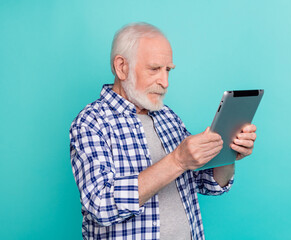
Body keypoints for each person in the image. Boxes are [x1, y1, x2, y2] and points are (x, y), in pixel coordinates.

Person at [69, 22, 257, 240]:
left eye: (168, 70)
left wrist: (228, 153)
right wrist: (177, 161)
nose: (165, 82)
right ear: (122, 67)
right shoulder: (91, 122)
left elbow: (207, 183)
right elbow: (100, 204)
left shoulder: (167, 116)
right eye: (154, 69)